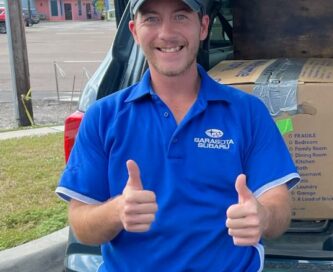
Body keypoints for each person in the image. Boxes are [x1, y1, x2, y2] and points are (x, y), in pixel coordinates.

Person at [55, 0, 300, 271]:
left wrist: (263, 216)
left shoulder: (248, 112)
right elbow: (81, 224)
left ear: (203, 27)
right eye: (151, 19)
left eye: (181, 17)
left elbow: (279, 204)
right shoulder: (102, 116)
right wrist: (116, 211)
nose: (167, 33)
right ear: (135, 31)